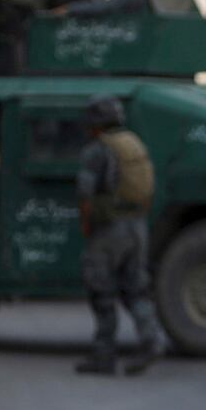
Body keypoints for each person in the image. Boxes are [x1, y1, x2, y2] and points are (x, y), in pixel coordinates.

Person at [74, 95, 166, 376]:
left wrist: (86, 223)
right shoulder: (132, 143)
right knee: (136, 288)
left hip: (110, 228)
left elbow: (85, 194)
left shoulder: (97, 150)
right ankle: (151, 340)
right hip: (136, 225)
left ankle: (104, 354)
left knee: (101, 290)